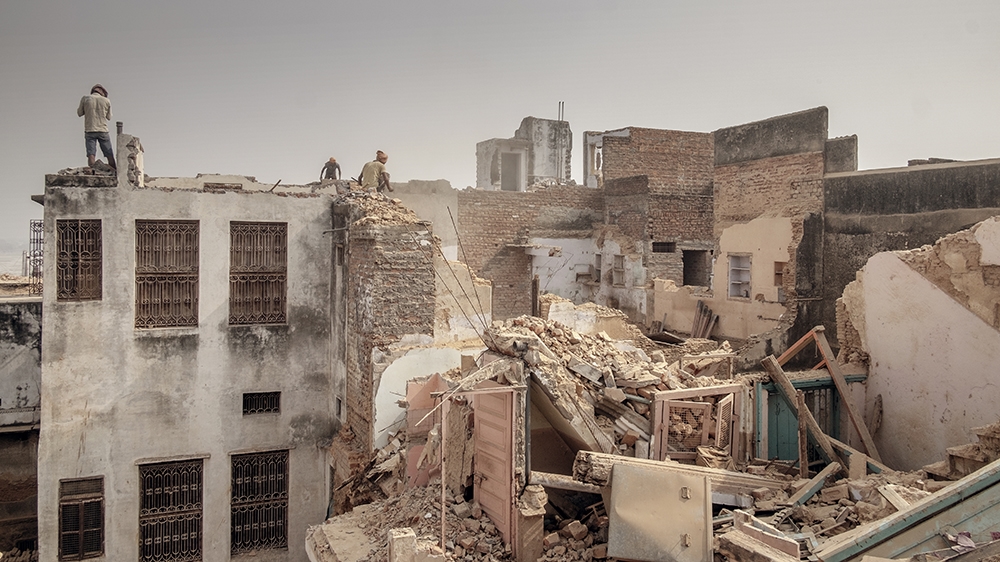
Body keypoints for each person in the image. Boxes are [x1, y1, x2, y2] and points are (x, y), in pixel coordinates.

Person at [77, 84, 116, 169]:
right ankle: (114, 171)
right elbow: (109, 117)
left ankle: (92, 170)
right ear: (102, 92)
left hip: (90, 129)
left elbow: (79, 113)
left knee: (91, 154)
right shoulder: (106, 101)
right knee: (109, 153)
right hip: (103, 130)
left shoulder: (85, 98)